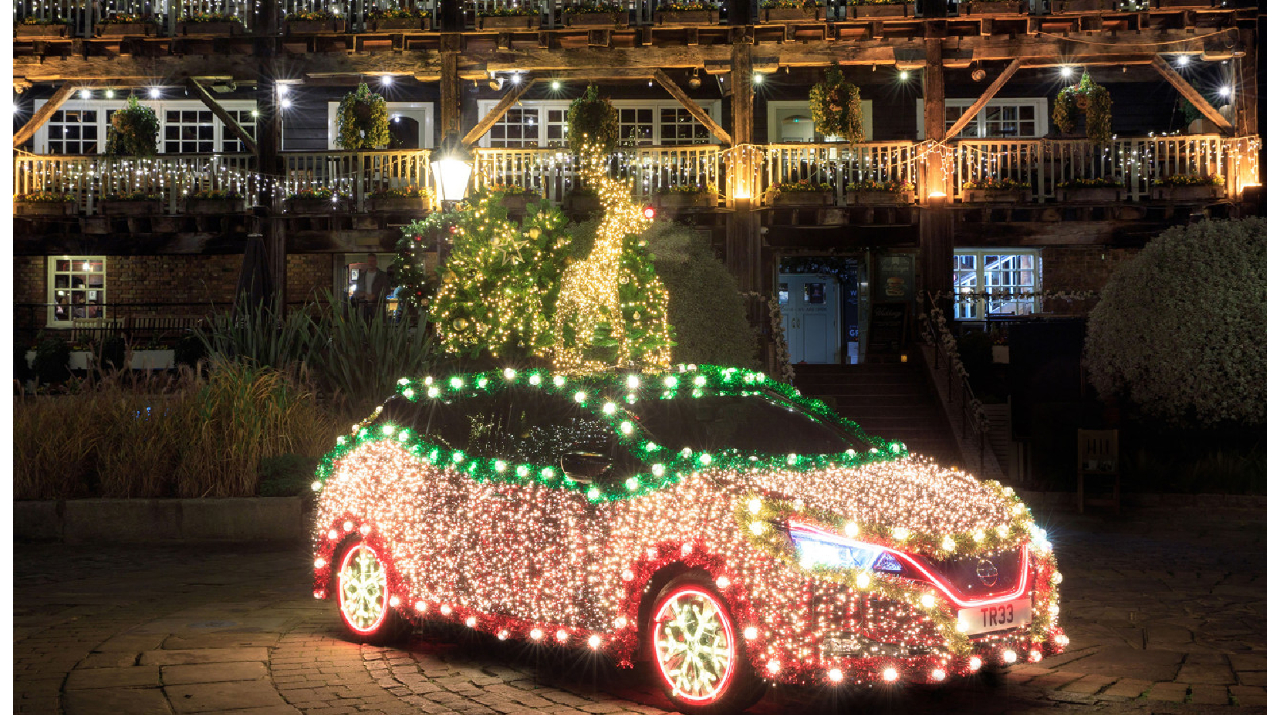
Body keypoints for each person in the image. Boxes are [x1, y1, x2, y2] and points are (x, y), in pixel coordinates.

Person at [353, 253, 390, 318]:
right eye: (369, 261)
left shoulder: (382, 276)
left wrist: (375, 296)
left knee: (377, 325)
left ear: (376, 262)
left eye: (372, 261)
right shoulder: (361, 276)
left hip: (377, 306)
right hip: (364, 305)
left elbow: (387, 290)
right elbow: (356, 291)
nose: (371, 263)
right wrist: (361, 294)